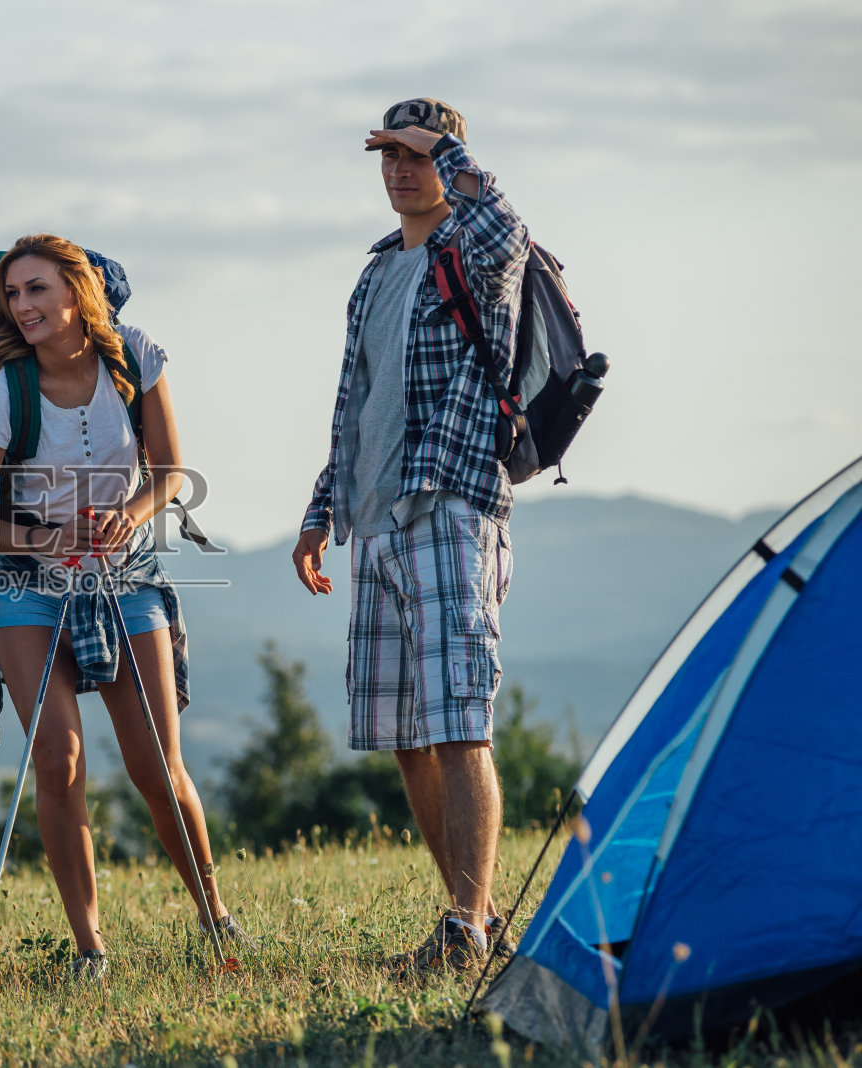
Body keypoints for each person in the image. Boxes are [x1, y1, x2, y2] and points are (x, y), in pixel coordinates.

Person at [0, 234, 251, 980]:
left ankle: (216, 917)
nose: (23, 308)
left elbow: (171, 472)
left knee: (157, 765)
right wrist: (41, 536)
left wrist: (130, 514)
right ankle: (90, 949)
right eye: (13, 295)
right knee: (60, 757)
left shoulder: (133, 356)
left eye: (37, 290)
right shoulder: (2, 391)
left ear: (77, 293)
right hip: (26, 579)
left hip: (126, 573)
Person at [289, 99, 529, 974]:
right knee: (403, 734)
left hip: (453, 507)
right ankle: (474, 920)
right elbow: (354, 404)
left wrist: (455, 157)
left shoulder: (479, 249)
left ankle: (464, 926)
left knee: (461, 720)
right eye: (386, 152)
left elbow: (502, 217)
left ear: (451, 158)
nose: (399, 168)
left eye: (417, 154)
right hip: (377, 521)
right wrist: (322, 511)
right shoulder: (375, 273)